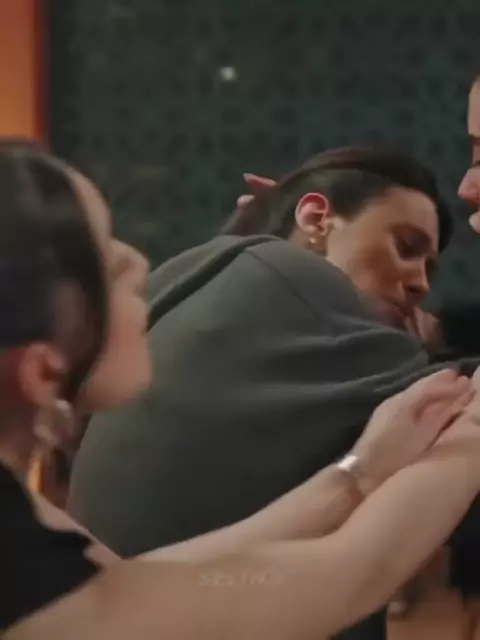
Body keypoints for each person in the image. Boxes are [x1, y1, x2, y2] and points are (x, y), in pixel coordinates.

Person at [3, 139, 480, 639]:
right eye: (106, 256)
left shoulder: (26, 533)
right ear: (40, 371)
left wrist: (357, 474)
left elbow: (140, 578)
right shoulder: (24, 579)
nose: (141, 263)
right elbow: (344, 574)